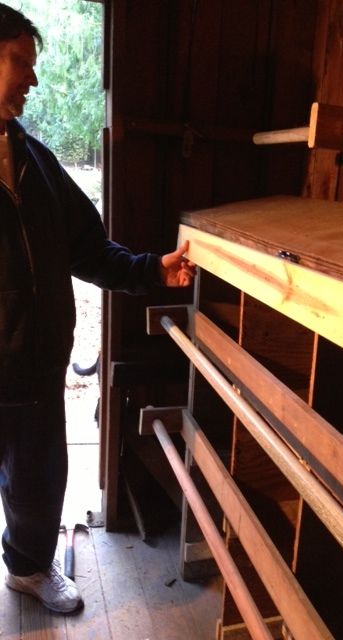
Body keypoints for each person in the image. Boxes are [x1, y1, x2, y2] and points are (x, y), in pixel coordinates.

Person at [0, 3, 195, 614]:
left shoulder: (35, 162)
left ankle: (29, 569)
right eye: (20, 62)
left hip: (34, 367)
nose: (32, 78)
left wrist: (151, 269)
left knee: (37, 482)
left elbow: (88, 248)